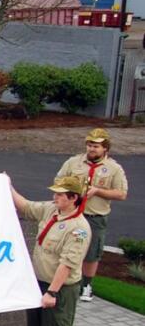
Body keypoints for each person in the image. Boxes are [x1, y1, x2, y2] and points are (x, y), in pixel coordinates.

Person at [9, 176, 90, 326]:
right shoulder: (51, 210)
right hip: (38, 282)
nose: (54, 197)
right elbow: (26, 206)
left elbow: (67, 264)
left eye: (60, 195)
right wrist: (8, 186)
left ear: (73, 198)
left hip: (59, 288)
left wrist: (52, 292)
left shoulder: (78, 229)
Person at [54, 128, 128, 302]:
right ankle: (59, 281)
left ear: (105, 148)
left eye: (96, 146)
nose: (91, 149)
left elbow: (122, 193)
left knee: (91, 252)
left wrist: (98, 191)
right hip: (71, 215)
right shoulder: (74, 162)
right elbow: (58, 180)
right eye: (89, 145)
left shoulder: (113, 168)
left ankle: (86, 285)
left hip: (93, 218)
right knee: (64, 248)